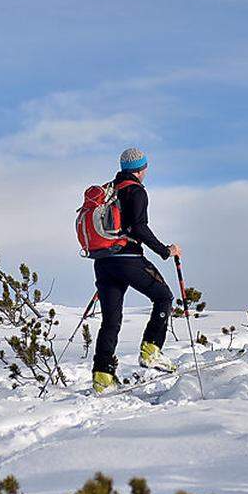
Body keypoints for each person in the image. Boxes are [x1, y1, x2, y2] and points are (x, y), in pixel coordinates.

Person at [91, 148, 182, 393]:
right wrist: (165, 250)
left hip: (103, 261)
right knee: (163, 296)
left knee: (111, 320)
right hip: (128, 258)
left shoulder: (110, 189)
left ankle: (102, 377)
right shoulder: (136, 191)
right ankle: (151, 350)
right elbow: (138, 228)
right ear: (142, 169)